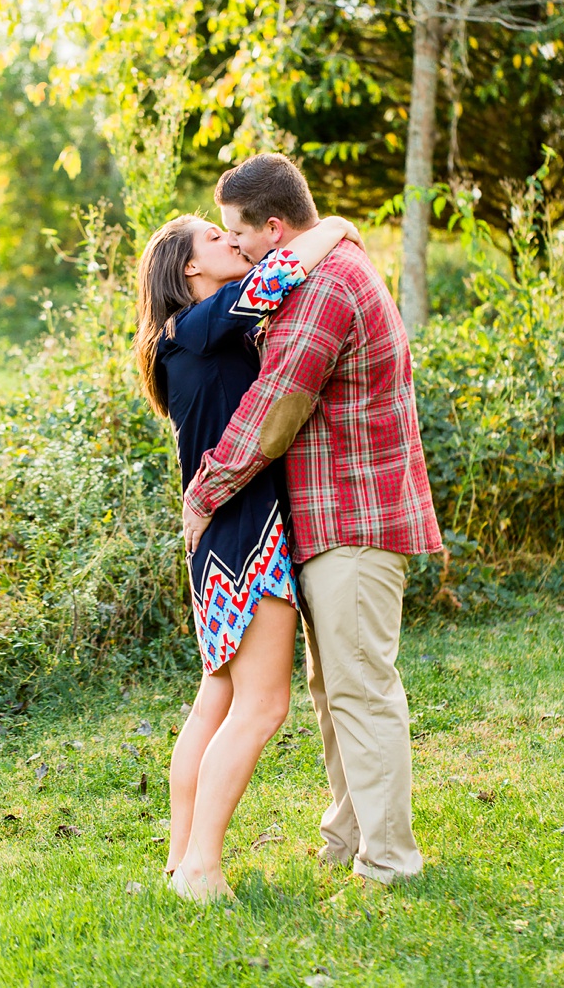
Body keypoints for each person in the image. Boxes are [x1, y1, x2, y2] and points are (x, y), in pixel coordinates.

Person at [181, 153, 442, 887]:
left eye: (238, 233)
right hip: (333, 520)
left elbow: (275, 407)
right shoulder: (326, 269)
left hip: (354, 519)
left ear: (272, 226)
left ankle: (389, 861)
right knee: (339, 690)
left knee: (361, 690)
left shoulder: (327, 286)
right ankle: (346, 835)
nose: (236, 248)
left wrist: (205, 491)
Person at [134, 210, 361, 902]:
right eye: (213, 237)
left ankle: (180, 861)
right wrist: (337, 227)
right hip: (244, 537)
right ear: (188, 270)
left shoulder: (182, 343)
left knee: (217, 702)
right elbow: (282, 271)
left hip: (216, 542)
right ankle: (202, 867)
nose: (229, 241)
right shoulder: (197, 329)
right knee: (262, 706)